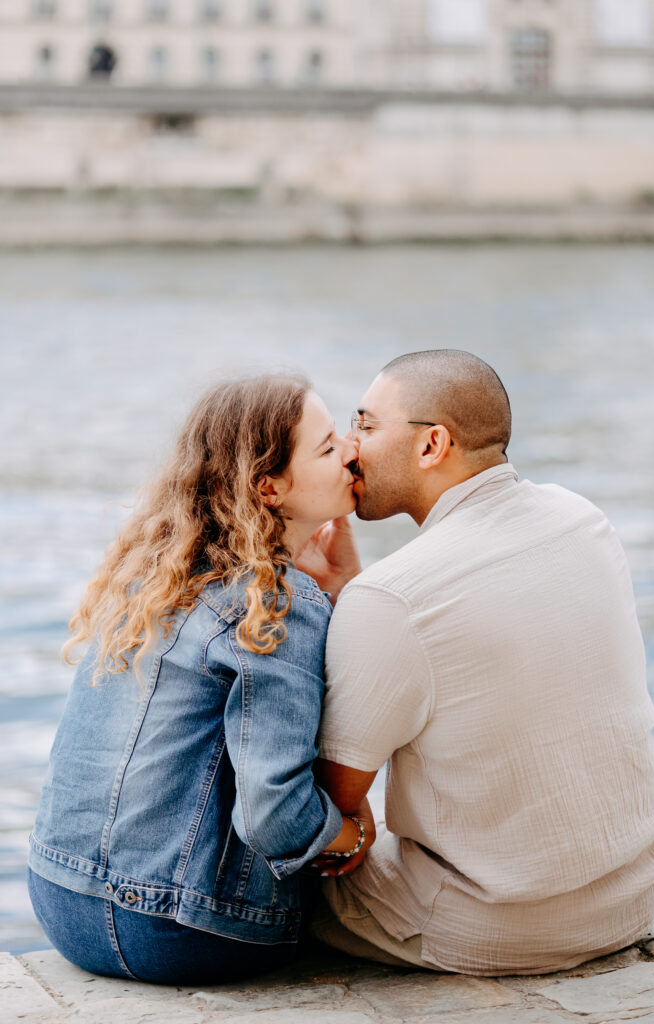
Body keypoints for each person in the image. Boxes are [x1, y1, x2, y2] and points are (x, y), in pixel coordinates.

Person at [308, 349, 654, 976]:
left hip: (500, 923)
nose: (349, 447)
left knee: (270, 855)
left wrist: (344, 600)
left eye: (366, 425)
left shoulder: (394, 597)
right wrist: (354, 591)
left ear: (432, 445)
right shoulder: (581, 518)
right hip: (636, 893)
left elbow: (330, 802)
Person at [27, 375, 374, 986]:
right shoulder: (272, 603)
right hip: (182, 931)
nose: (350, 450)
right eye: (325, 448)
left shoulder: (151, 577)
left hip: (60, 900)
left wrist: (330, 591)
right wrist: (349, 834)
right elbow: (275, 817)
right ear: (268, 487)